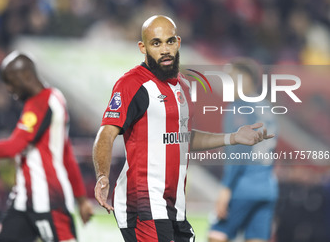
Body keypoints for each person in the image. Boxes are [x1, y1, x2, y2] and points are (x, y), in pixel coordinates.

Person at [93, 15, 274, 242]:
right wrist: (102, 176)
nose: (165, 49)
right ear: (143, 47)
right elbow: (106, 133)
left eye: (169, 41)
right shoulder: (131, 84)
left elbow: (183, 139)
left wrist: (233, 138)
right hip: (142, 203)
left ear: (178, 42)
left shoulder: (184, 86)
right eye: (156, 43)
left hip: (174, 204)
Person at [0, 51, 94, 242]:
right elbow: (65, 153)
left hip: (49, 201)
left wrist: (81, 199)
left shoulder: (41, 103)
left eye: (11, 82)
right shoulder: (54, 98)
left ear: (27, 76)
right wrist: (81, 199)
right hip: (23, 201)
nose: (9, 89)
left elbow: (14, 146)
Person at [208, 58, 278, 242]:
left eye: (230, 77)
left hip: (243, 186)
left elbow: (238, 151)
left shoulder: (239, 107)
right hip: (267, 187)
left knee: (216, 235)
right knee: (256, 238)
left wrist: (226, 188)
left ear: (245, 78)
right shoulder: (266, 107)